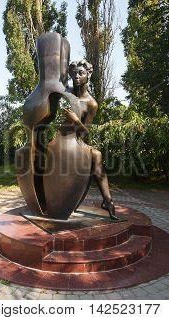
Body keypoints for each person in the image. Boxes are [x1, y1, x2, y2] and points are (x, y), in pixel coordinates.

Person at [62, 59, 118, 220]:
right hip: (63, 139)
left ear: (89, 75)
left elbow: (85, 132)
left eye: (81, 73)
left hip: (77, 140)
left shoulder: (91, 103)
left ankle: (108, 201)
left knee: (97, 155)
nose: (76, 77)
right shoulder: (68, 91)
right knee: (97, 155)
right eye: (74, 74)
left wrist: (75, 119)